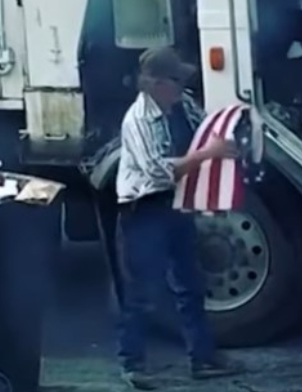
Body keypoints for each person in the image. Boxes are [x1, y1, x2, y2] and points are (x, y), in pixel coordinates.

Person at [114, 46, 245, 390]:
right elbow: (158, 173)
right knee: (143, 289)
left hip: (175, 204)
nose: (181, 87)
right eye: (175, 80)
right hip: (144, 207)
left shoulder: (181, 105)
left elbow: (205, 128)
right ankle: (132, 364)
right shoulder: (139, 120)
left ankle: (203, 357)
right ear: (155, 84)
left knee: (190, 283)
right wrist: (208, 154)